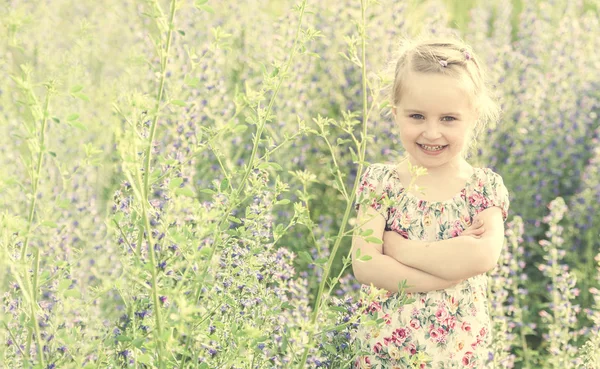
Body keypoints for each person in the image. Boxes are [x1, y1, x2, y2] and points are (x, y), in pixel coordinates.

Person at [351, 36, 510, 369]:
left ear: (474, 116)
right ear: (395, 113)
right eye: (417, 116)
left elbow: (481, 256)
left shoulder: (483, 188)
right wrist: (444, 276)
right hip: (384, 354)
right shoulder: (381, 183)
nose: (432, 132)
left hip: (457, 357)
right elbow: (365, 264)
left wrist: (400, 250)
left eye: (448, 119)